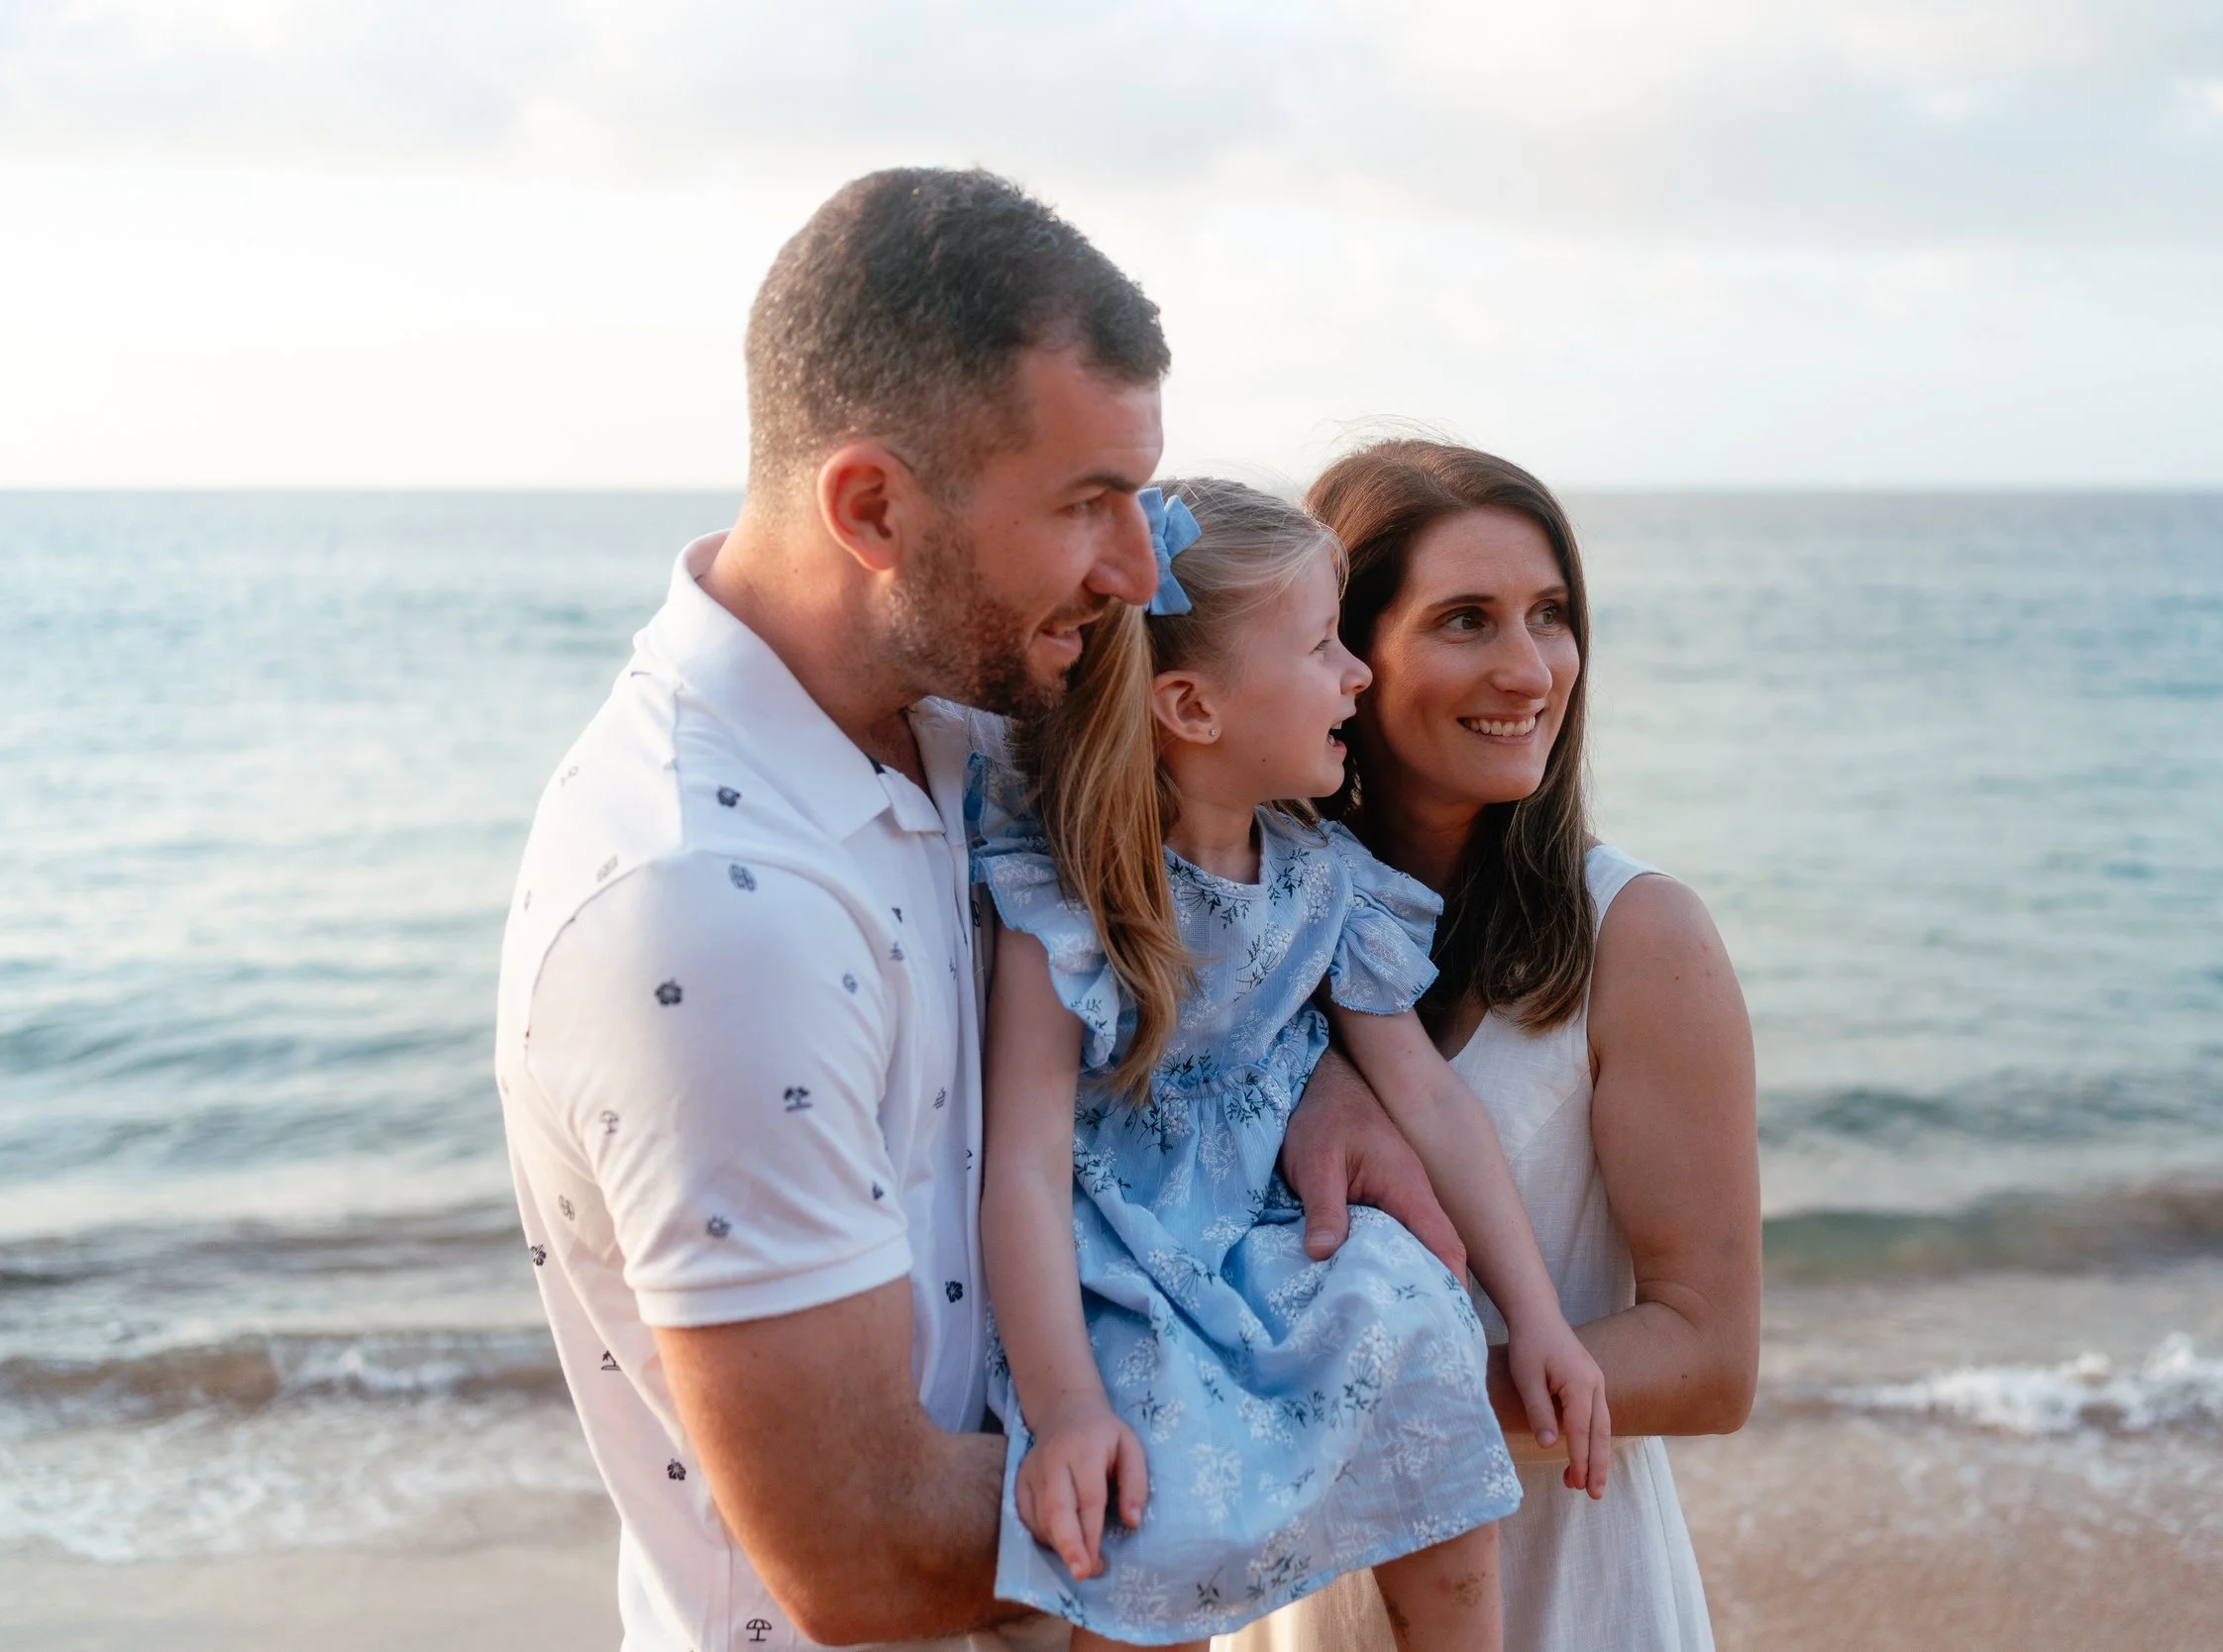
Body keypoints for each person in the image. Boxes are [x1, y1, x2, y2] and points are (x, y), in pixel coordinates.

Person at [494, 170, 1464, 1652]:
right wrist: (1401, 1425)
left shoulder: (976, 719)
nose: (1141, 576)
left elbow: (1172, 929)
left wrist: (1310, 1075)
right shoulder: (707, 914)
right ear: (872, 508)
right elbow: (864, 1553)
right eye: (1086, 509)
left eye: (1137, 501)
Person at [972, 479, 1612, 1651]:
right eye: (1323, 648)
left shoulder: (1322, 879)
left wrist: (1540, 1320)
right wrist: (1061, 1405)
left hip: (1274, 1243)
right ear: (1191, 707)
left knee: (1410, 1307)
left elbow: (1425, 1095)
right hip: (1126, 1264)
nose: (1357, 676)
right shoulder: (1067, 901)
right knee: (1140, 1490)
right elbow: (1021, 1164)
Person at [1220, 442, 1761, 1652]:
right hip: (1298, 1602)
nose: (1530, 670)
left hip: (1561, 1596)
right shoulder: (1236, 934)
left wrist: (1336, 1406)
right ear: (1342, 653)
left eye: (1551, 617)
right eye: (1467, 621)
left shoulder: (1637, 934)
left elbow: (1709, 1356)